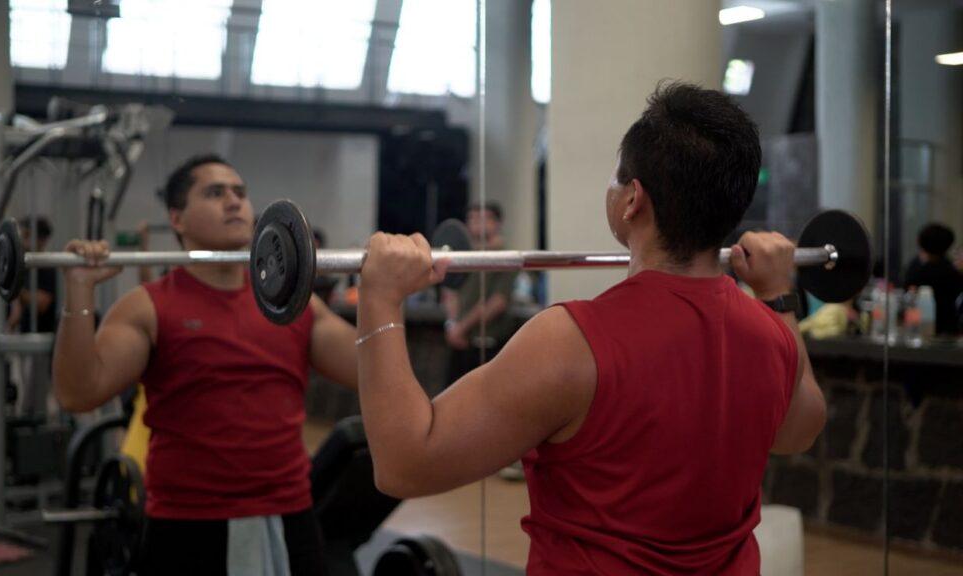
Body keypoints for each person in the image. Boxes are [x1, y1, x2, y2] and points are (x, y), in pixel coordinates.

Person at [354, 83, 825, 574]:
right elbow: (800, 430)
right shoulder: (771, 332)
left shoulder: (570, 343)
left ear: (632, 200)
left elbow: (405, 463)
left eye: (616, 177)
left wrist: (381, 298)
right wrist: (777, 296)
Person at [52, 154, 359, 576]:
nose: (234, 202)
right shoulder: (148, 306)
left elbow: (368, 369)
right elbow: (77, 392)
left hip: (290, 514)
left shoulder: (293, 304)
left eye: (240, 193)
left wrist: (385, 292)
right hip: (187, 524)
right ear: (177, 218)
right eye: (215, 193)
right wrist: (79, 294)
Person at [442, 202, 518, 385]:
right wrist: (452, 325)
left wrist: (461, 328)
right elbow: (451, 292)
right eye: (472, 218)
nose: (476, 223)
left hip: (489, 345)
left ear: (497, 223)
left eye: (483, 218)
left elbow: (497, 302)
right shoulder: (465, 256)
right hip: (461, 344)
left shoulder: (506, 257)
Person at [6, 216, 57, 416]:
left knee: (36, 403)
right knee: (25, 401)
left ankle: (39, 438)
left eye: (27, 235)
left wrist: (17, 289)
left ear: (42, 240)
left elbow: (42, 303)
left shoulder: (46, 267)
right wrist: (9, 326)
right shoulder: (25, 267)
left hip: (42, 342)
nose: (24, 241)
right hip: (25, 339)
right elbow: (19, 308)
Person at [903, 223, 963, 335]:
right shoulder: (952, 271)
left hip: (920, 328)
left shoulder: (916, 269)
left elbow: (909, 297)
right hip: (950, 329)